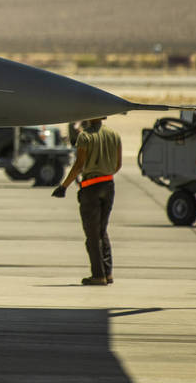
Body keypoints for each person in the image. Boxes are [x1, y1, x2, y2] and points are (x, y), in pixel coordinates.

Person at [52, 117, 122, 285]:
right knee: (102, 230)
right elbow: (118, 165)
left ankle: (98, 275)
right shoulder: (114, 135)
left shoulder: (85, 137)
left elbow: (79, 165)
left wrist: (63, 186)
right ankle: (108, 272)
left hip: (91, 187)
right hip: (109, 184)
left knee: (92, 235)